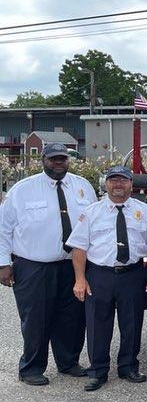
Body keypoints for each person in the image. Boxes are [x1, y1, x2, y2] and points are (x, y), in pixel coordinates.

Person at [0, 142, 95, 385]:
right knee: (36, 319)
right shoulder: (22, 190)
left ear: (68, 160)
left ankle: (68, 362)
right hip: (34, 266)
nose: (58, 162)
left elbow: (94, 223)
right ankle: (31, 368)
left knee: (72, 316)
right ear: (43, 159)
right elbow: (3, 229)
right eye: (53, 158)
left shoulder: (83, 187)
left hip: (71, 264)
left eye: (62, 158)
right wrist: (3, 264)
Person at [68, 166, 147, 391]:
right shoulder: (91, 212)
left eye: (123, 180)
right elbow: (79, 249)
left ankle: (128, 366)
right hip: (100, 275)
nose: (118, 184)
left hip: (132, 274)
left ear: (131, 184)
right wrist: (80, 279)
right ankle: (98, 371)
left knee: (132, 323)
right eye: (113, 180)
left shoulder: (145, 211)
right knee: (98, 324)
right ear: (106, 184)